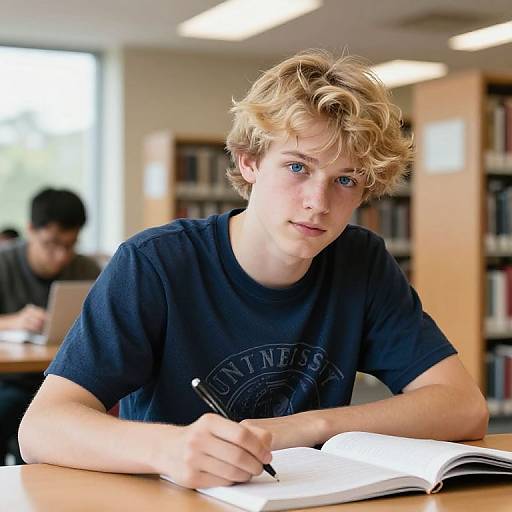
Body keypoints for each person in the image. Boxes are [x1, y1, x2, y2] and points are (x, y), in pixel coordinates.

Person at [19, 50, 488, 488]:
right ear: (249, 162)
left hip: (306, 495)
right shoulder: (156, 263)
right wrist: (170, 448)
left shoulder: (360, 261)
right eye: (298, 167)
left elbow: (463, 406)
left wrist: (309, 427)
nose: (318, 203)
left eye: (345, 180)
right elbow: (40, 429)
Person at [0, 188, 101, 465]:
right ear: (30, 230)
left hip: (68, 383)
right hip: (13, 381)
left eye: (69, 245)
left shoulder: (86, 270)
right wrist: (12, 322)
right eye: (51, 244)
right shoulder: (4, 263)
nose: (60, 256)